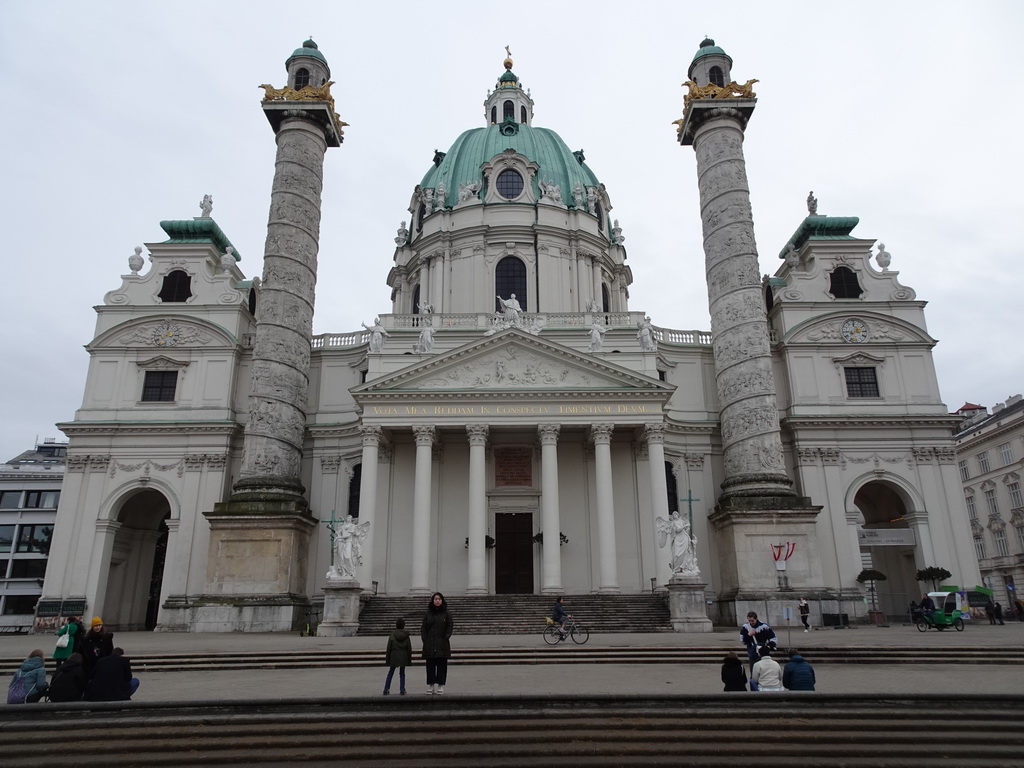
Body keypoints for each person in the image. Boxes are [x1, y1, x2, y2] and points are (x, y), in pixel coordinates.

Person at [421, 592, 453, 694]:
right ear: (433, 600)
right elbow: (423, 627)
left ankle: (440, 685)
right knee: (430, 665)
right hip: (430, 643)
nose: (437, 601)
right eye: (435, 599)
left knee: (441, 665)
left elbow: (450, 625)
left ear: (442, 600)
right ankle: (431, 685)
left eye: (439, 599)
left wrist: (446, 636)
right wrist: (425, 639)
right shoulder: (428, 613)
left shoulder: (446, 613)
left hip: (442, 644)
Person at [383, 618, 412, 695]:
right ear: (404, 626)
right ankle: (402, 689)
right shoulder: (406, 636)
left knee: (391, 672)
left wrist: (387, 660)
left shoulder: (392, 635)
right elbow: (409, 648)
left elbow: (389, 648)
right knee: (402, 673)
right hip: (403, 656)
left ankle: (386, 688)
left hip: (394, 656)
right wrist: (409, 660)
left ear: (396, 626)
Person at [80, 616, 114, 680]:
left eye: (99, 625)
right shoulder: (86, 639)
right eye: (96, 626)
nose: (98, 627)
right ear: (92, 627)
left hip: (103, 663)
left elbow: (109, 650)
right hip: (90, 664)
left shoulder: (107, 637)